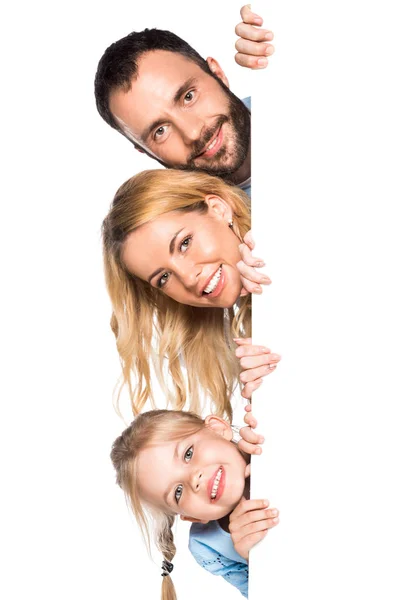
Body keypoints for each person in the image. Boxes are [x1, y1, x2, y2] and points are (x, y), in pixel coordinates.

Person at [102, 169, 280, 419]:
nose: (187, 278)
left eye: (184, 243)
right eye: (163, 278)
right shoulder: (244, 331)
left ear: (218, 209)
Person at [94, 7, 274, 199]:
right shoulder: (200, 222)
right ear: (146, 152)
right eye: (160, 131)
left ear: (217, 74)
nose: (192, 133)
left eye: (188, 97)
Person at [111, 404, 279, 598]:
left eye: (188, 454)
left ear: (217, 429)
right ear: (191, 516)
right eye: (178, 492)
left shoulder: (265, 434)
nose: (193, 479)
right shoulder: (207, 546)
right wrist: (257, 558)